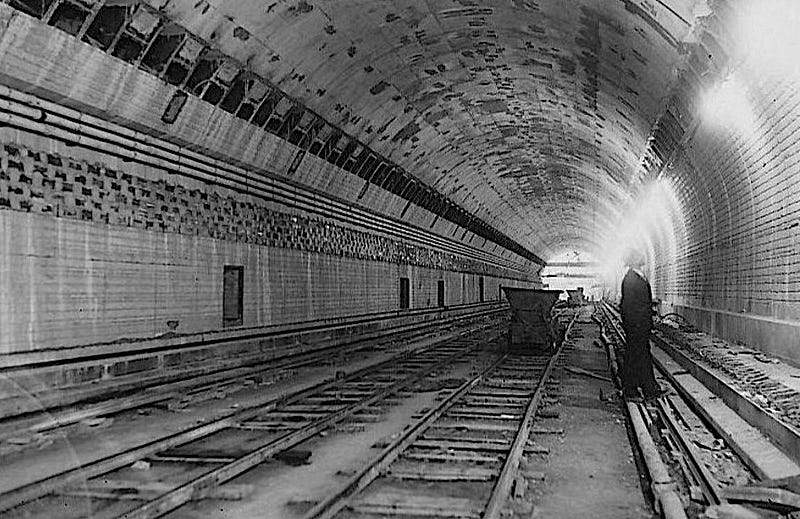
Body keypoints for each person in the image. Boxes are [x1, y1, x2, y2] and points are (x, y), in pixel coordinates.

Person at [619, 249, 664, 400]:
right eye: (639, 255)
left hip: (640, 325)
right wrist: (634, 324)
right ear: (634, 260)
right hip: (636, 325)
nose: (643, 257)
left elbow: (637, 302)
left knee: (638, 355)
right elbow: (628, 306)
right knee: (637, 355)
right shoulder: (631, 278)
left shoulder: (637, 277)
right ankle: (638, 389)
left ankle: (645, 387)